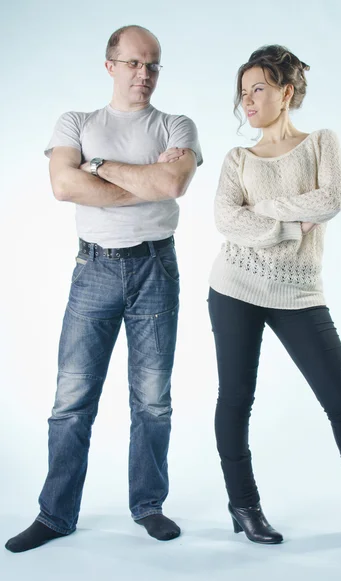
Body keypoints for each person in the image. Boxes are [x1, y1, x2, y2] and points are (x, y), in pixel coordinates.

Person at [5, 24, 202, 553]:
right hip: (93, 268)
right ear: (110, 65)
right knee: (71, 400)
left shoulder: (176, 124)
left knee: (153, 401)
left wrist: (97, 168)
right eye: (135, 63)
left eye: (154, 64)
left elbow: (171, 185)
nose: (146, 74)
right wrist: (138, 179)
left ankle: (149, 505)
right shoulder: (77, 121)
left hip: (155, 269)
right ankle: (55, 514)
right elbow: (63, 186)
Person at [207, 44, 341, 555]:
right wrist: (289, 221)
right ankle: (243, 506)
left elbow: (331, 198)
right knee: (236, 401)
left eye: (258, 88)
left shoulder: (321, 143)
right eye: (242, 92)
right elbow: (227, 221)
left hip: (300, 292)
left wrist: (261, 212)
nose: (248, 100)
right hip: (234, 288)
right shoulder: (236, 158)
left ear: (286, 93)